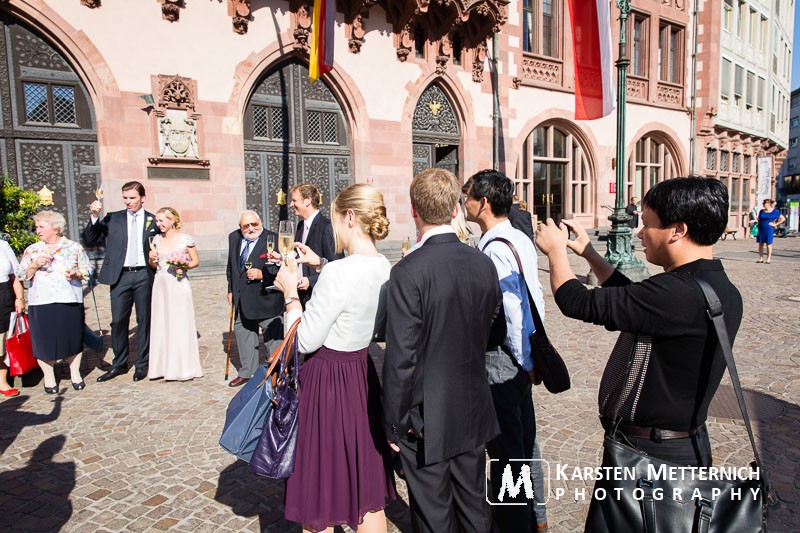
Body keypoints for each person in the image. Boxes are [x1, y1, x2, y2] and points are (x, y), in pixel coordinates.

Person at [534, 177, 742, 531]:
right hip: (682, 446)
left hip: (650, 458)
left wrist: (555, 251)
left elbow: (576, 301)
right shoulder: (712, 285)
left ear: (677, 230)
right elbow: (637, 301)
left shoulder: (675, 294)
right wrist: (589, 253)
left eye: (647, 224)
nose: (639, 233)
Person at [383, 168, 502, 533]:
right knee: (474, 506)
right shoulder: (483, 262)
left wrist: (393, 423)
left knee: (434, 515)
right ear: (455, 209)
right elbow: (495, 331)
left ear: (414, 211)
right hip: (471, 403)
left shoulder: (407, 271)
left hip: (426, 417)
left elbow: (401, 358)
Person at [274, 183, 395, 532]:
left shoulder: (337, 273)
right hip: (360, 375)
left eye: (337, 220)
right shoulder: (384, 266)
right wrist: (322, 263)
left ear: (351, 218)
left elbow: (304, 340)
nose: (335, 229)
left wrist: (289, 296)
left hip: (325, 383)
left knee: (319, 491)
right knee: (365, 488)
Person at [462, 169, 545, 533]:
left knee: (507, 452)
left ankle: (515, 523)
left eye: (467, 195)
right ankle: (531, 517)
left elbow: (512, 311)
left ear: (482, 202)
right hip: (520, 357)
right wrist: (533, 354)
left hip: (502, 359)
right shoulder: (517, 237)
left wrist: (524, 359)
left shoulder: (494, 248)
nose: (464, 202)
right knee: (521, 444)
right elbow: (535, 298)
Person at [83, 181, 160, 383]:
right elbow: (91, 239)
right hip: (120, 276)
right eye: (125, 198)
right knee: (118, 321)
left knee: (144, 320)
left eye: (132, 198)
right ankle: (119, 364)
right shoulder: (113, 218)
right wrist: (94, 217)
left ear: (143, 198)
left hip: (144, 274)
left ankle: (142, 364)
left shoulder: (153, 220)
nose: (128, 202)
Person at [18, 211, 93, 393]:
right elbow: (21, 275)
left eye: (41, 226)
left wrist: (76, 274)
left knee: (72, 337)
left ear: (56, 228)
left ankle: (75, 373)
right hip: (41, 300)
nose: (37, 230)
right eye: (37, 227)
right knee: (43, 340)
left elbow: (88, 270)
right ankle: (49, 377)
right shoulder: (32, 250)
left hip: (68, 298)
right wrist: (34, 265)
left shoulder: (74, 247)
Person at [225, 211, 282, 387]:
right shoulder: (234, 237)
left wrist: (263, 275)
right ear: (240, 227)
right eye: (246, 226)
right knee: (244, 334)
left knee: (273, 339)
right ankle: (246, 372)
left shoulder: (273, 238)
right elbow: (231, 266)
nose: (251, 228)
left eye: (254, 224)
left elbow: (283, 267)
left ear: (260, 222)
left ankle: (275, 372)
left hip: (266, 298)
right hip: (242, 297)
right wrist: (230, 290)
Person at [147, 208, 202, 381]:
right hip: (161, 284)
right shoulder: (156, 239)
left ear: (172, 220)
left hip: (178, 284)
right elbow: (154, 265)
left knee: (179, 321)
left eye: (162, 220)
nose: (159, 224)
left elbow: (195, 261)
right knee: (161, 322)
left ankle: (182, 367)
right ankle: (161, 367)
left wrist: (183, 266)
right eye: (157, 221)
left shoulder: (185, 239)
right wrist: (151, 259)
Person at [289, 183, 339, 306]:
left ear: (307, 201)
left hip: (320, 298)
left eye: (294, 200)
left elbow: (337, 266)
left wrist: (311, 281)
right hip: (302, 296)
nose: (291, 204)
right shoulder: (300, 226)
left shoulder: (327, 227)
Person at [0, 239, 25, 397]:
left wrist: (20, 298)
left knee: (1, 342)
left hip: (3, 296)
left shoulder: (3, 245)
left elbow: (16, 275)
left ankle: (2, 382)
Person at [755, 198, 786, 263]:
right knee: (760, 243)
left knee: (768, 243)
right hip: (761, 228)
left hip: (769, 228)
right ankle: (761, 258)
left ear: (769, 204)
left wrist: (775, 224)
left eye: (765, 203)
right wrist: (756, 221)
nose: (763, 204)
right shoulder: (761, 211)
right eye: (763, 203)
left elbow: (783, 218)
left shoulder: (775, 211)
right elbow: (759, 219)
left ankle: (768, 259)